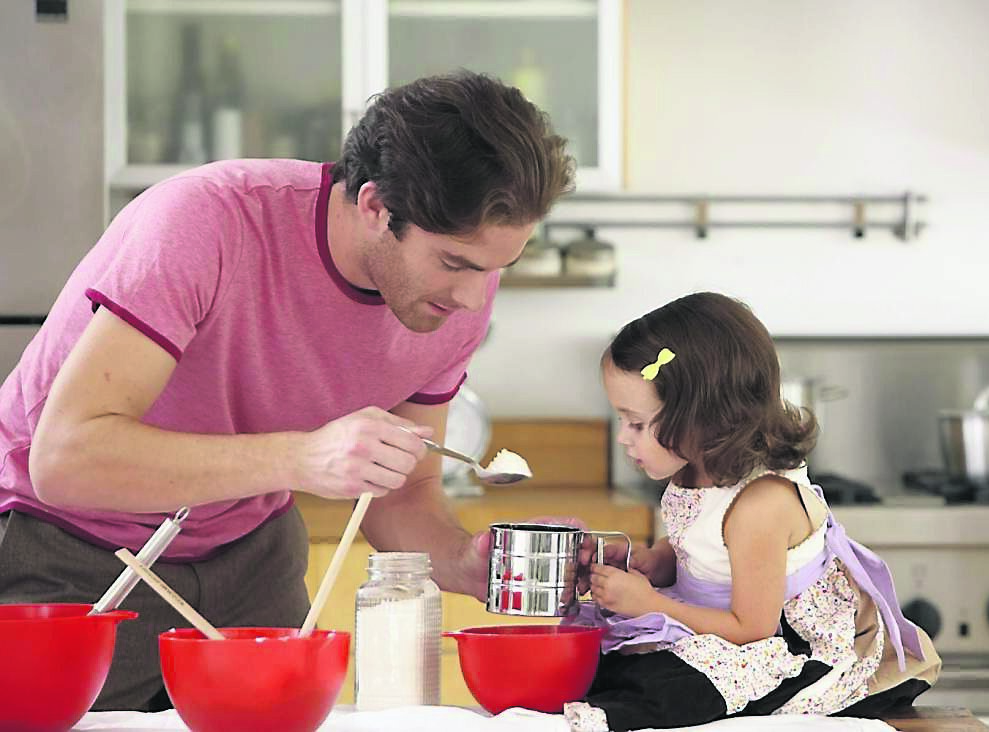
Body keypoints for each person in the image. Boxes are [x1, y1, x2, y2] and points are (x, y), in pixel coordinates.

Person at [0, 70, 575, 711]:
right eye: (454, 263)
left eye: (497, 269)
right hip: (68, 550)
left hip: (250, 555)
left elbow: (402, 492)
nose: (473, 299)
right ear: (376, 206)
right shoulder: (207, 221)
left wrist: (463, 563)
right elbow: (66, 460)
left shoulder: (458, 292)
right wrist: (303, 456)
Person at [562, 292, 942, 732]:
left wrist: (649, 603)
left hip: (786, 643)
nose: (623, 438)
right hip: (721, 625)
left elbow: (751, 629)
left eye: (637, 423)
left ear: (703, 416)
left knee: (666, 688)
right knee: (603, 658)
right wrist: (653, 562)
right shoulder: (694, 468)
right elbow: (699, 543)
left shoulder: (760, 505)